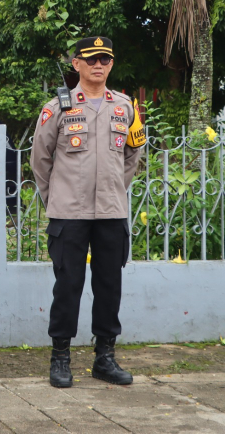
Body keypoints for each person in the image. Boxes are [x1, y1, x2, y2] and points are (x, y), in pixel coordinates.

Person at [31, 37, 145, 388]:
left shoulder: (125, 107)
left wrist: (112, 188)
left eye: (105, 60)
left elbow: (132, 155)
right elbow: (41, 159)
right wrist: (58, 198)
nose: (99, 65)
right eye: (91, 59)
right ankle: (60, 358)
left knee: (110, 285)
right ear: (76, 63)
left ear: (111, 65)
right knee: (68, 285)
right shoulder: (58, 107)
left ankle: (104, 358)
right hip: (69, 213)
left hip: (110, 212)